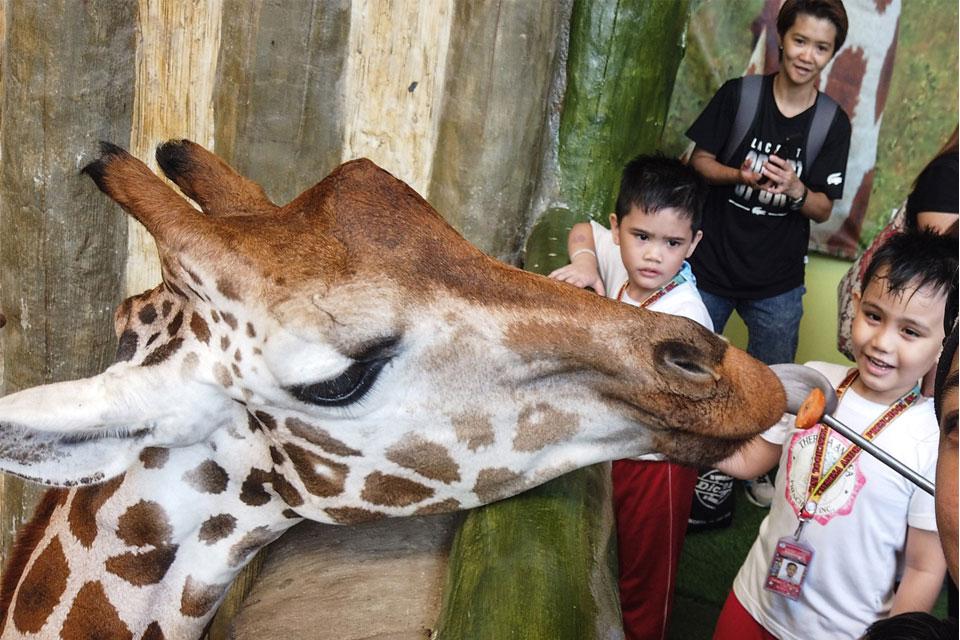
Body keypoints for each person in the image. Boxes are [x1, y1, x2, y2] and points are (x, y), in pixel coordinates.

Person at [712, 230, 956, 640]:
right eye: (874, 316)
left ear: (943, 347)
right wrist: (692, 437)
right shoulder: (812, 378)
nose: (882, 343)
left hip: (843, 633)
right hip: (751, 601)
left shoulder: (933, 438)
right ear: (854, 307)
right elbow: (752, 459)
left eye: (910, 332)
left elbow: (923, 568)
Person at [686, 0, 852, 510]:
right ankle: (688, 457)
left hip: (777, 282)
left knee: (773, 385)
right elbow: (698, 162)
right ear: (782, 37)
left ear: (831, 54)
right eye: (801, 41)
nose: (807, 55)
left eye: (821, 47)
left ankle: (756, 468)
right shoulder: (741, 96)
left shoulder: (831, 122)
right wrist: (743, 176)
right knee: (691, 371)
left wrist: (797, 188)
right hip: (710, 266)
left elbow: (822, 208)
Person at [548, 154, 710, 640]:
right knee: (606, 550)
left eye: (673, 243)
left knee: (645, 576)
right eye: (642, 237)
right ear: (619, 229)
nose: (653, 255)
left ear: (694, 244)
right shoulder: (621, 260)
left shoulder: (686, 317)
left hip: (657, 464)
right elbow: (580, 229)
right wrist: (584, 262)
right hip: (612, 446)